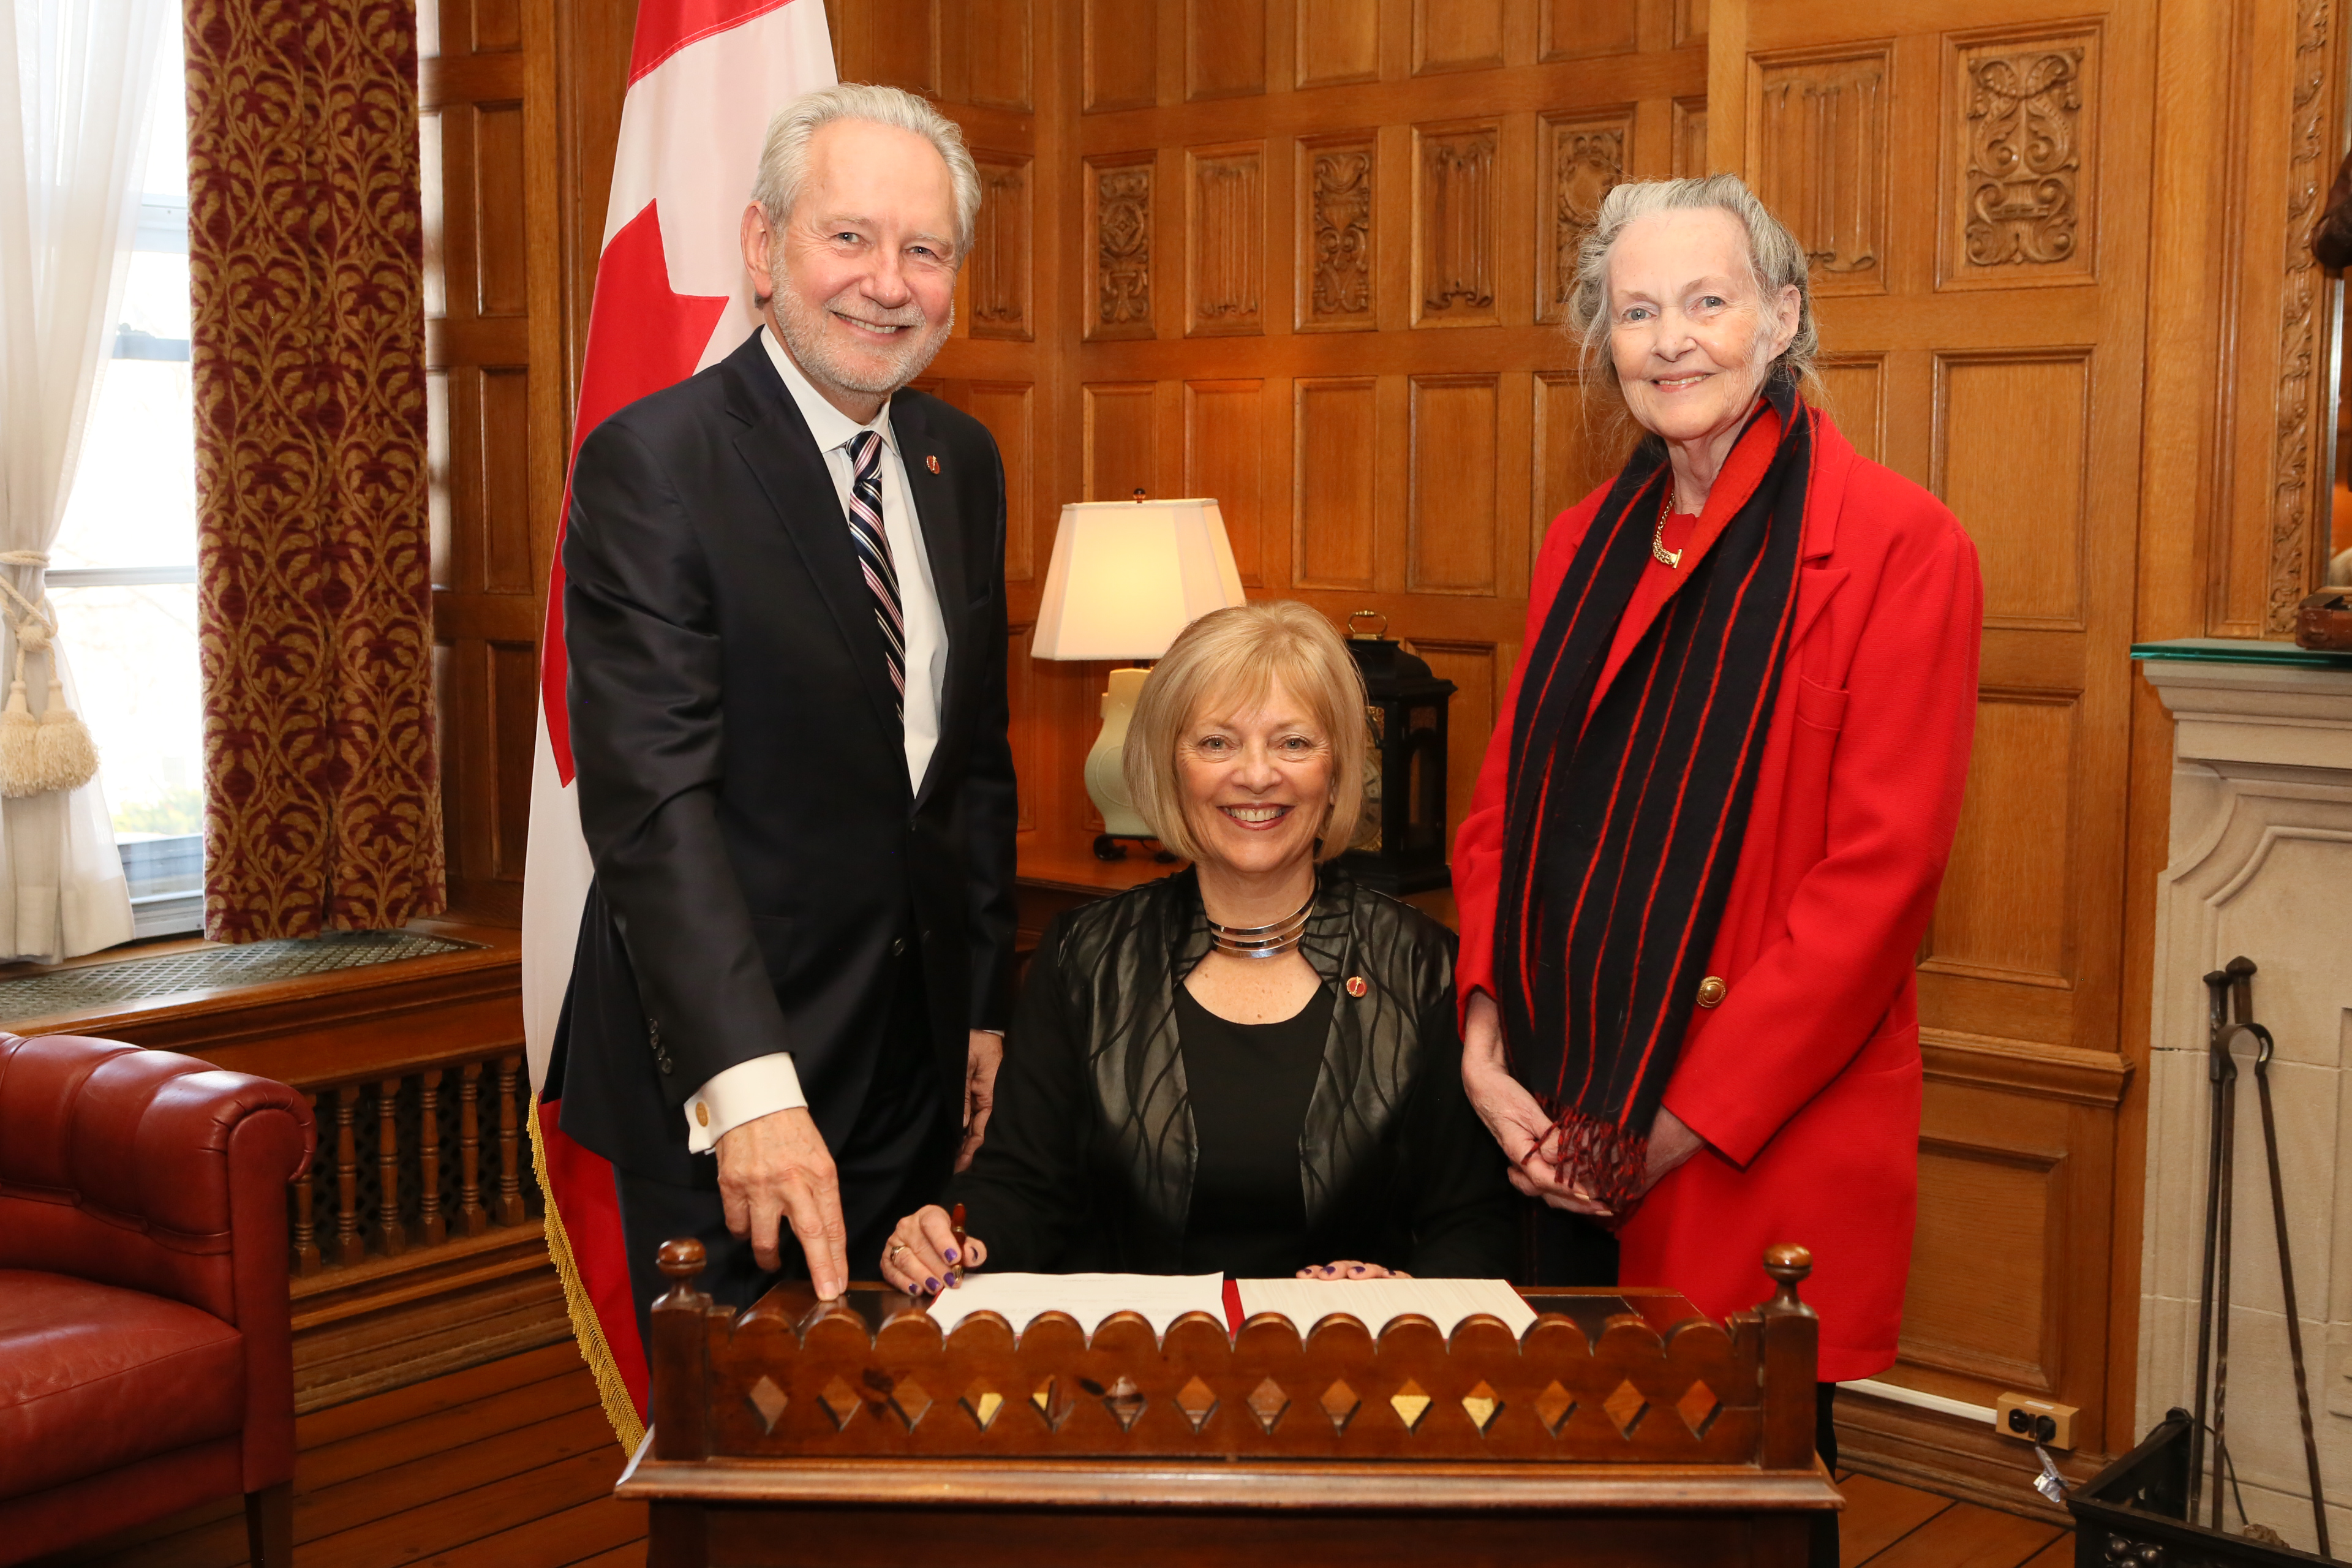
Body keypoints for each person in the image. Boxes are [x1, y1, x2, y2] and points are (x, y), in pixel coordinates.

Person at [1450, 175, 1981, 1564]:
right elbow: (1502, 807)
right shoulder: (1581, 541)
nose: (1670, 339)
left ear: (1781, 318)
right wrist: (1483, 1031)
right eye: (1635, 310)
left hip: (1743, 1143)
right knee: (1562, 1512)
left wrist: (1658, 1125)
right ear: (1601, 339)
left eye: (1706, 300)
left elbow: (1875, 891)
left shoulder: (1898, 548)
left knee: (1728, 1523)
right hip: (1547, 1123)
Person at [550, 83, 1019, 1348]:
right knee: (732, 1488)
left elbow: (969, 768)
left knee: (895, 1452)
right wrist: (748, 1089)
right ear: (764, 249)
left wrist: (981, 1005)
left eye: (925, 251)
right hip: (721, 1080)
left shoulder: (960, 462)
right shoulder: (657, 464)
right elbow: (657, 804)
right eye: (850, 237)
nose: (888, 282)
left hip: (909, 1081)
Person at [880, 602, 1513, 1291]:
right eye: (1217, 743)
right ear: (1168, 767)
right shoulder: (1082, 958)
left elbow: (1477, 1227)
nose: (1256, 774)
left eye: (1294, 743)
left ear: (1337, 771)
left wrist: (1406, 1297)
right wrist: (947, 1234)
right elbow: (1023, 1190)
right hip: (1130, 1371)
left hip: (1347, 1374)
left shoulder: (1424, 968)